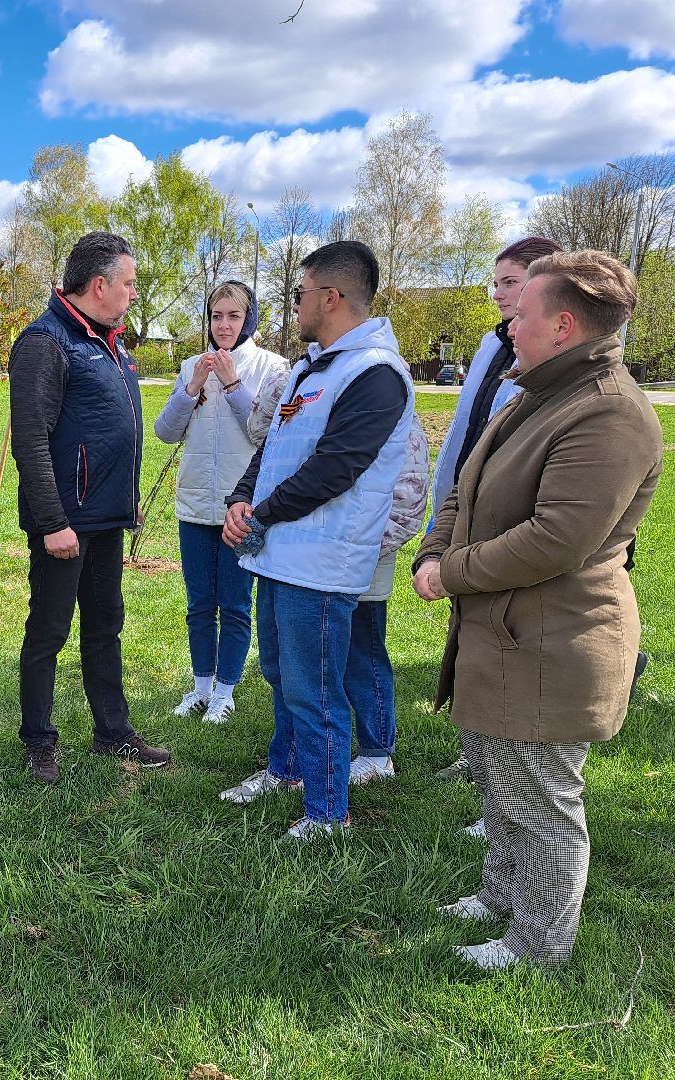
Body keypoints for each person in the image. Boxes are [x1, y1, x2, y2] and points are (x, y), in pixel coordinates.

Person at [413, 250, 662, 970]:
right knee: (500, 782)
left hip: (555, 641)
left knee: (543, 805)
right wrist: (433, 549)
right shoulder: (536, 390)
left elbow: (557, 540)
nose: (507, 323)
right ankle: (500, 895)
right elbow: (467, 479)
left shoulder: (608, 413)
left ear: (562, 324)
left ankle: (537, 946)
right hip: (505, 631)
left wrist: (450, 572)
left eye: (520, 313)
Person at [219, 240, 414, 840]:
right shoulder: (310, 367)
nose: (294, 304)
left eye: (300, 294)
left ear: (331, 297)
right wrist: (239, 499)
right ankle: (287, 770)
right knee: (280, 674)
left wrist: (260, 515)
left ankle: (328, 813)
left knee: (316, 688)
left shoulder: (376, 375)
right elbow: (274, 450)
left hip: (324, 564)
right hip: (281, 554)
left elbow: (336, 468)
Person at [10, 231, 172, 784]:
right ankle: (38, 741)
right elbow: (30, 440)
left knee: (105, 627)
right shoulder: (45, 342)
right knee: (50, 632)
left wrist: (125, 500)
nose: (132, 294)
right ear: (99, 285)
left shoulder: (108, 341)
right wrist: (54, 522)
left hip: (105, 520)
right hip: (65, 524)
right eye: (127, 284)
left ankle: (112, 732)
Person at [430, 236, 562, 813]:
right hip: (467, 511)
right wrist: (444, 508)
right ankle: (477, 752)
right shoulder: (491, 345)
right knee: (469, 642)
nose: (499, 293)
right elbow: (466, 432)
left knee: (505, 648)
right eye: (498, 282)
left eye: (512, 282)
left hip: (510, 525)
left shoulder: (550, 361)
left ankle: (508, 797)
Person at [154, 280, 288, 724]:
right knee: (198, 603)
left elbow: (266, 432)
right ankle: (200, 687)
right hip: (194, 503)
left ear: (248, 319)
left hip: (242, 509)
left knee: (234, 603)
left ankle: (226, 692)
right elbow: (166, 432)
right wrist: (192, 386)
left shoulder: (271, 368)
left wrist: (232, 384)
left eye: (233, 316)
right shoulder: (194, 365)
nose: (224, 325)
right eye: (216, 316)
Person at [342, 412, 429, 784]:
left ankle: (377, 753)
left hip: (363, 555)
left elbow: (409, 499)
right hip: (316, 557)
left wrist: (359, 548)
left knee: (363, 651)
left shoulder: (392, 401)